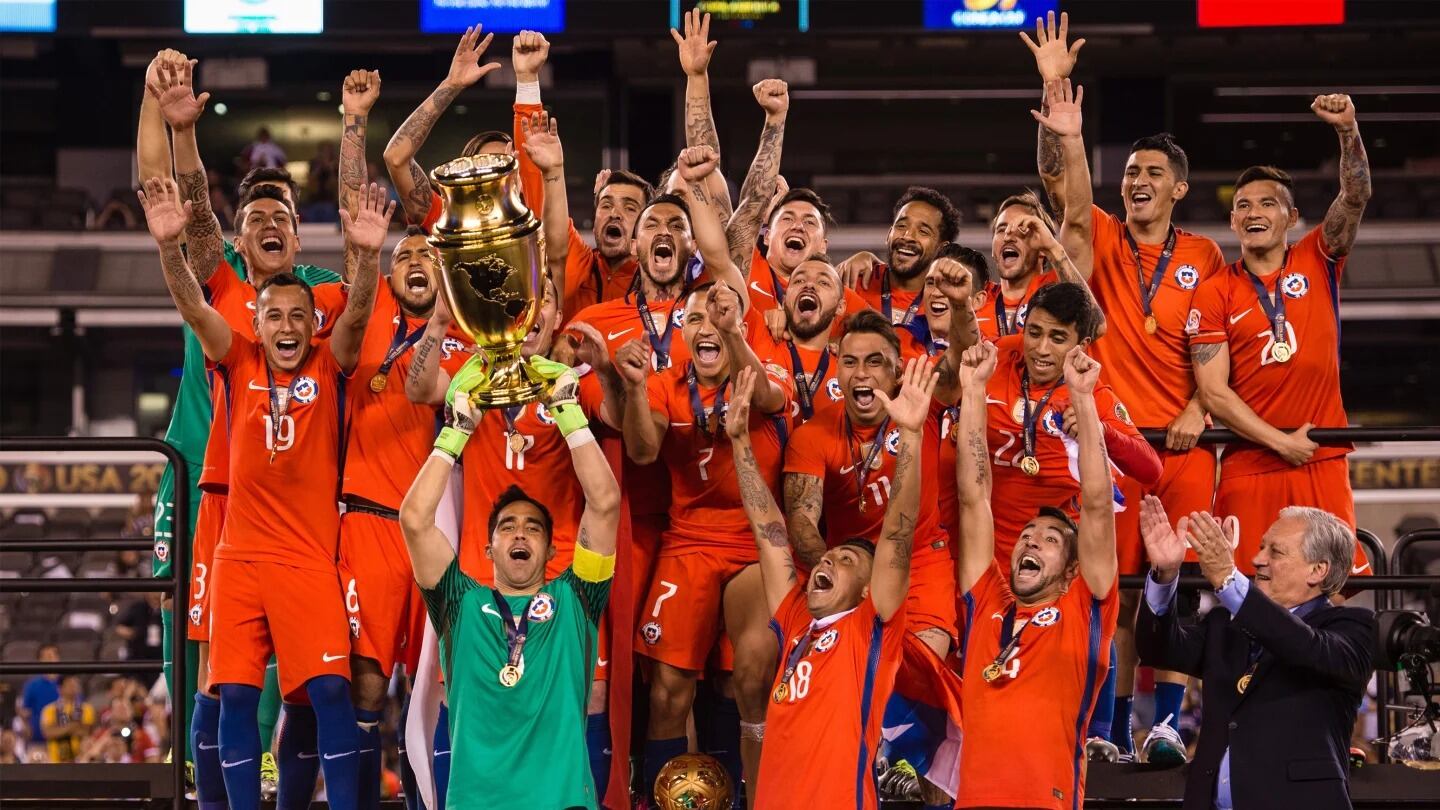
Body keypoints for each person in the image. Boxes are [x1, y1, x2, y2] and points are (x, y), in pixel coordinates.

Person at [137, 173, 393, 810]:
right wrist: (171, 246)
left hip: (309, 563)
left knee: (331, 693)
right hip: (239, 562)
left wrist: (368, 258)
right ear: (257, 321)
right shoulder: (240, 357)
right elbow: (195, 308)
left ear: (312, 326)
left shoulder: (330, 366)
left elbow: (359, 313)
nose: (285, 325)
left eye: (297, 317)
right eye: (273, 315)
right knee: (236, 697)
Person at [1027, 10, 1229, 760]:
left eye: (1153, 174)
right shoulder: (1103, 235)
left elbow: (1220, 348)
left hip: (1179, 446)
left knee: (1171, 589)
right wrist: (1066, 123)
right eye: (1131, 171)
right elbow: (1069, 196)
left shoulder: (1207, 255)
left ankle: (1170, 724)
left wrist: (1194, 405)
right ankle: (1108, 731)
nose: (1138, 181)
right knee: (1111, 591)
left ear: (1179, 186)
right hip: (1106, 446)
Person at [397, 353, 622, 810]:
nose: (520, 532)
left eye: (534, 527)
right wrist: (457, 429)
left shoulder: (576, 600)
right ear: (487, 550)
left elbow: (604, 503)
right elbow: (415, 520)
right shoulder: (458, 604)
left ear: (552, 551)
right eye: (507, 527)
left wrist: (568, 412)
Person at [618, 276, 791, 804]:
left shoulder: (764, 367)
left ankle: (751, 798)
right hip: (687, 541)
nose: (706, 326)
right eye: (694, 318)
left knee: (750, 676)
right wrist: (629, 386)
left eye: (717, 316)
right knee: (669, 693)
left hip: (753, 544)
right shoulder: (662, 384)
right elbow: (644, 451)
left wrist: (734, 332)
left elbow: (768, 396)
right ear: (682, 333)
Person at [731, 357, 931, 809]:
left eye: (844, 559)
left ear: (868, 588)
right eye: (829, 554)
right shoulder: (796, 618)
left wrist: (913, 435)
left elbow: (898, 531)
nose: (827, 558)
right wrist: (740, 441)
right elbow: (769, 530)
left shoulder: (870, 627)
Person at [1190, 94, 1373, 580]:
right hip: (1251, 462)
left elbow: (1354, 197)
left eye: (1267, 203)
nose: (1253, 212)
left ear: (1292, 219)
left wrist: (1347, 130)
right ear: (1232, 222)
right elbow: (1212, 391)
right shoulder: (1213, 292)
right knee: (1249, 588)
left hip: (1321, 455)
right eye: (1243, 205)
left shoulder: (1320, 257)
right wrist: (1279, 443)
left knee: (1331, 585)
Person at [953, 339, 1119, 810]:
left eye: (1049, 538)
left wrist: (1083, 400)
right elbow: (973, 500)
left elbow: (1097, 507)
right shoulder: (986, 602)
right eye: (1027, 534)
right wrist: (973, 391)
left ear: (1072, 571)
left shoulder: (1083, 608)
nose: (1029, 540)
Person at [1135, 498, 1375, 810]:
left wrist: (1228, 580)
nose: (1256, 559)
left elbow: (1299, 644)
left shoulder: (1352, 629)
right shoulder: (1226, 625)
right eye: (1262, 547)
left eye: (1274, 551)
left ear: (1317, 570)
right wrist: (1164, 575)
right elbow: (1158, 649)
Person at [783, 306, 971, 661]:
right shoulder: (812, 436)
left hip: (921, 563)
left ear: (898, 370)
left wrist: (960, 305)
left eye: (874, 362)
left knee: (920, 673)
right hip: (852, 570)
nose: (861, 374)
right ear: (837, 369)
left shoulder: (923, 402)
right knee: (847, 680)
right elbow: (801, 518)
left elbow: (958, 364)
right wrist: (832, 569)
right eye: (850, 362)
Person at [977, 282, 1160, 564]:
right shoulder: (999, 356)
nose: (1041, 349)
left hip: (1056, 557)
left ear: (1081, 346)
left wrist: (1100, 432)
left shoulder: (1089, 393)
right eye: (1034, 333)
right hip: (987, 549)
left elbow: (1151, 469)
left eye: (1058, 338)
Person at [383, 26, 548, 236]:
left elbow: (532, 145)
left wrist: (527, 78)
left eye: (504, 164)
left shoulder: (533, 216)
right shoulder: (448, 221)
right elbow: (396, 158)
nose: (496, 175)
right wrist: (451, 85)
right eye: (486, 164)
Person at [837, 187, 963, 327]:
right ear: (889, 234)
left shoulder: (947, 305)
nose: (907, 236)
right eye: (901, 226)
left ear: (942, 249)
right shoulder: (853, 281)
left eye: (923, 231)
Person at [40, 676, 97, 764]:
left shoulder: (87, 708)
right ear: (60, 688)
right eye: (70, 685)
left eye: (76, 684)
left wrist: (59, 729)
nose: (74, 687)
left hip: (82, 760)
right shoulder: (49, 709)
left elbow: (86, 731)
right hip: (55, 760)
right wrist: (71, 727)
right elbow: (48, 732)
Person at [17, 644, 61, 747]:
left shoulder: (67, 683)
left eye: (52, 656)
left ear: (58, 658)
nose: (50, 660)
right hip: (38, 741)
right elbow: (25, 711)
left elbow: (77, 706)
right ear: (40, 660)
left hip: (63, 740)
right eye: (46, 657)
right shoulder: (32, 685)